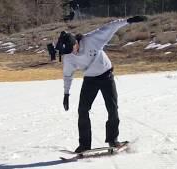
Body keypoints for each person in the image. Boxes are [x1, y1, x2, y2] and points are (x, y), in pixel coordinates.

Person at [57, 16, 147, 153]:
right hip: (90, 80)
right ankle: (84, 145)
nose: (72, 53)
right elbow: (67, 75)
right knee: (82, 110)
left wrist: (128, 21)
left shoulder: (92, 40)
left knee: (112, 108)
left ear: (76, 42)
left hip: (106, 76)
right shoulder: (69, 56)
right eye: (68, 51)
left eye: (72, 49)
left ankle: (113, 139)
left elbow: (110, 27)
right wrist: (66, 93)